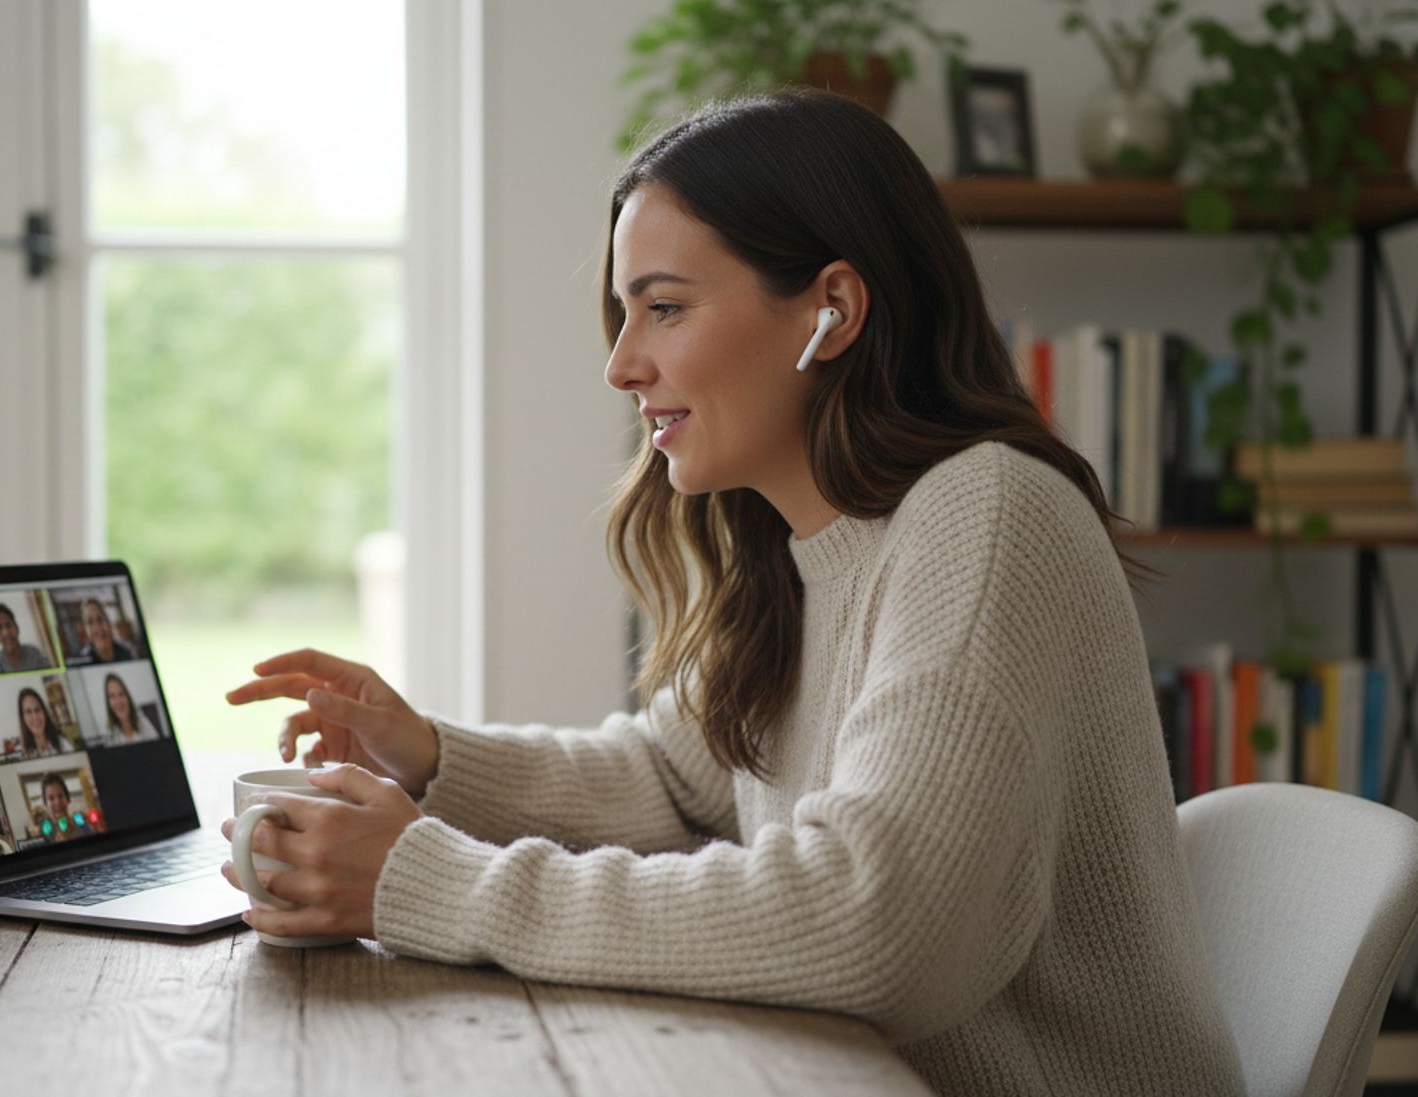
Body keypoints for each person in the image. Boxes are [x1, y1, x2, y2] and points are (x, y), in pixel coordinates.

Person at [217, 91, 1244, 1095]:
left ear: (831, 309)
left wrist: (434, 881)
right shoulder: (802, 542)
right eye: (626, 315)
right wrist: (428, 751)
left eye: (664, 307)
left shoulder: (988, 516)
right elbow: (672, 782)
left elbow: (878, 922)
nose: (622, 364)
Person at [33, 773, 99, 841]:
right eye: (51, 798)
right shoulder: (43, 836)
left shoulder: (83, 824)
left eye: (60, 796)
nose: (57, 802)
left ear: (68, 799)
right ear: (45, 804)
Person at [0, 602, 52, 672]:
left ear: (17, 628)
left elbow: (51, 678)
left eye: (8, 625)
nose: (6, 633)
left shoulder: (34, 654)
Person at [70, 598, 136, 664]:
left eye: (100, 619)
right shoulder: (81, 661)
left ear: (108, 622)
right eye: (90, 622)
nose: (97, 628)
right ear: (85, 630)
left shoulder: (127, 652)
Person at [101, 673, 160, 743]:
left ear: (128, 697)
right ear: (109, 703)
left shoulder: (142, 722)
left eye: (121, 694)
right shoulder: (109, 736)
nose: (118, 701)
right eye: (112, 696)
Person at [16, 686, 73, 758]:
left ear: (44, 712)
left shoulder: (64, 744)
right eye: (28, 712)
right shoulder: (20, 753)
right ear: (23, 718)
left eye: (37, 710)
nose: (35, 716)